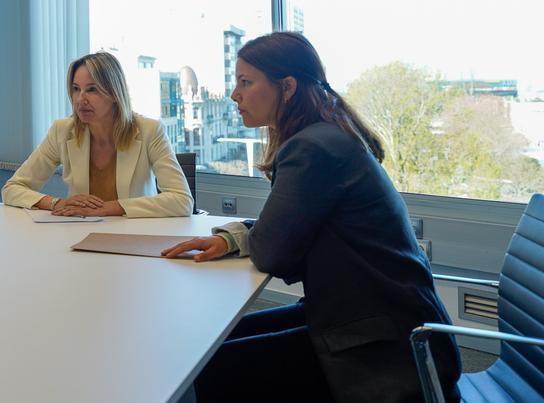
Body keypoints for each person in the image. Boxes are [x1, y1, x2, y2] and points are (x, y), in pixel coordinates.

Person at [161, 32, 460, 402]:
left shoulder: (312, 148)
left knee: (208, 369)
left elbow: (273, 253)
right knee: (209, 348)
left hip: (384, 345)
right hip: (374, 317)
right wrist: (231, 239)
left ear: (287, 87)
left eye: (245, 82)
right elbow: (288, 225)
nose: (235, 95)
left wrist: (248, 240)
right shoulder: (328, 135)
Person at [1, 52, 193, 217]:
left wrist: (109, 208)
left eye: (92, 90)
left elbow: (182, 200)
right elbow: (12, 189)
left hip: (134, 236)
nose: (80, 99)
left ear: (115, 94)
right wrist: (57, 203)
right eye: (76, 89)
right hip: (80, 232)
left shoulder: (149, 131)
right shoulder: (62, 131)